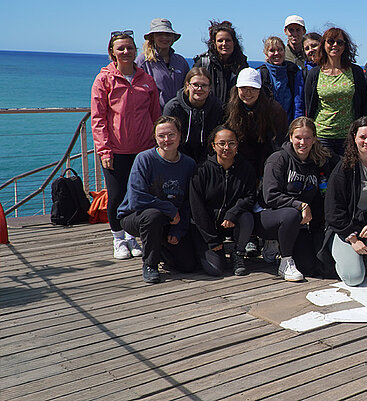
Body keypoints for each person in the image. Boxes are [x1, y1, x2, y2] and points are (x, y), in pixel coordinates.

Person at [91, 30, 160, 260]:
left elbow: (155, 115)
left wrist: (156, 146)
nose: (126, 52)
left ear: (136, 51)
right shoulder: (104, 79)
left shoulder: (146, 80)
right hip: (116, 150)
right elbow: (98, 118)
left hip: (143, 150)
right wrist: (104, 150)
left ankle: (131, 236)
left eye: (130, 48)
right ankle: (118, 238)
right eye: (121, 48)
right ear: (112, 52)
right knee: (117, 195)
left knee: (137, 195)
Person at [116, 116, 197, 283]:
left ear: (180, 136)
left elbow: (189, 201)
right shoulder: (144, 159)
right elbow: (136, 199)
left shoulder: (189, 164)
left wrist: (178, 230)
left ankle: (159, 247)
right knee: (153, 216)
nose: (166, 140)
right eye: (161, 136)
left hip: (172, 221)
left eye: (171, 135)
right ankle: (150, 264)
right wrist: (170, 209)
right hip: (136, 216)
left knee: (188, 265)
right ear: (155, 137)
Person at [258, 117, 336, 282]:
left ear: (314, 139)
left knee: (309, 267)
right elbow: (270, 196)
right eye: (298, 137)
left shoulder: (316, 162)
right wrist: (299, 205)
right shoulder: (278, 159)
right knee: (291, 214)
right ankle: (283, 259)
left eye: (308, 138)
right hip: (269, 216)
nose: (303, 142)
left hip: (298, 223)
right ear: (291, 137)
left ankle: (286, 244)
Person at [323, 116, 367, 286]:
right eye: (363, 137)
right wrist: (353, 240)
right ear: (354, 137)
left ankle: (366, 256)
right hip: (344, 229)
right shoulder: (343, 169)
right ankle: (345, 257)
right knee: (354, 278)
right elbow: (333, 211)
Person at [189, 126, 258, 276]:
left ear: (237, 145)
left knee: (246, 217)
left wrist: (233, 213)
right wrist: (212, 240)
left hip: (230, 223)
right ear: (213, 146)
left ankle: (238, 253)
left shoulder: (246, 168)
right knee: (215, 270)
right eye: (222, 143)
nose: (227, 148)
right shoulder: (202, 170)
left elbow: (250, 196)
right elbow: (197, 207)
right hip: (206, 228)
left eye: (231, 143)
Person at [304, 27, 367, 157]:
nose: (335, 45)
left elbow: (363, 104)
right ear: (324, 44)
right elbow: (309, 105)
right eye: (331, 41)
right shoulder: (314, 74)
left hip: (348, 136)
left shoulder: (355, 72)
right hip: (322, 136)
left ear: (345, 46)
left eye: (340, 42)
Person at [226, 68, 288, 178]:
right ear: (237, 89)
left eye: (253, 88)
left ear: (260, 89)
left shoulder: (275, 110)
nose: (248, 93)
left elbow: (278, 143)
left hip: (266, 160)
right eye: (244, 88)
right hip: (239, 161)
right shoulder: (229, 109)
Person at [163, 67, 225, 163]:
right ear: (187, 85)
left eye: (204, 85)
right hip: (178, 159)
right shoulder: (173, 108)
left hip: (208, 161)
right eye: (195, 85)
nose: (199, 89)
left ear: (210, 88)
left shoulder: (218, 108)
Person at [136, 18, 190, 108]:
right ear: (152, 37)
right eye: (160, 34)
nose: (164, 38)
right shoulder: (143, 62)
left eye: (168, 34)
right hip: (154, 117)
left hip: (178, 116)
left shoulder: (181, 61)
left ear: (173, 38)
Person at [193, 20, 249, 105]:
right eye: (220, 41)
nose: (224, 43)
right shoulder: (203, 64)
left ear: (234, 42)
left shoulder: (241, 65)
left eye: (228, 40)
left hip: (233, 113)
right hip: (209, 113)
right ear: (214, 44)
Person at [258, 36, 305, 120]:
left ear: (284, 51)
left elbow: (298, 102)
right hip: (266, 126)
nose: (276, 53)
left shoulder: (293, 71)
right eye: (272, 50)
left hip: (289, 124)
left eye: (280, 49)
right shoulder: (260, 74)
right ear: (266, 53)